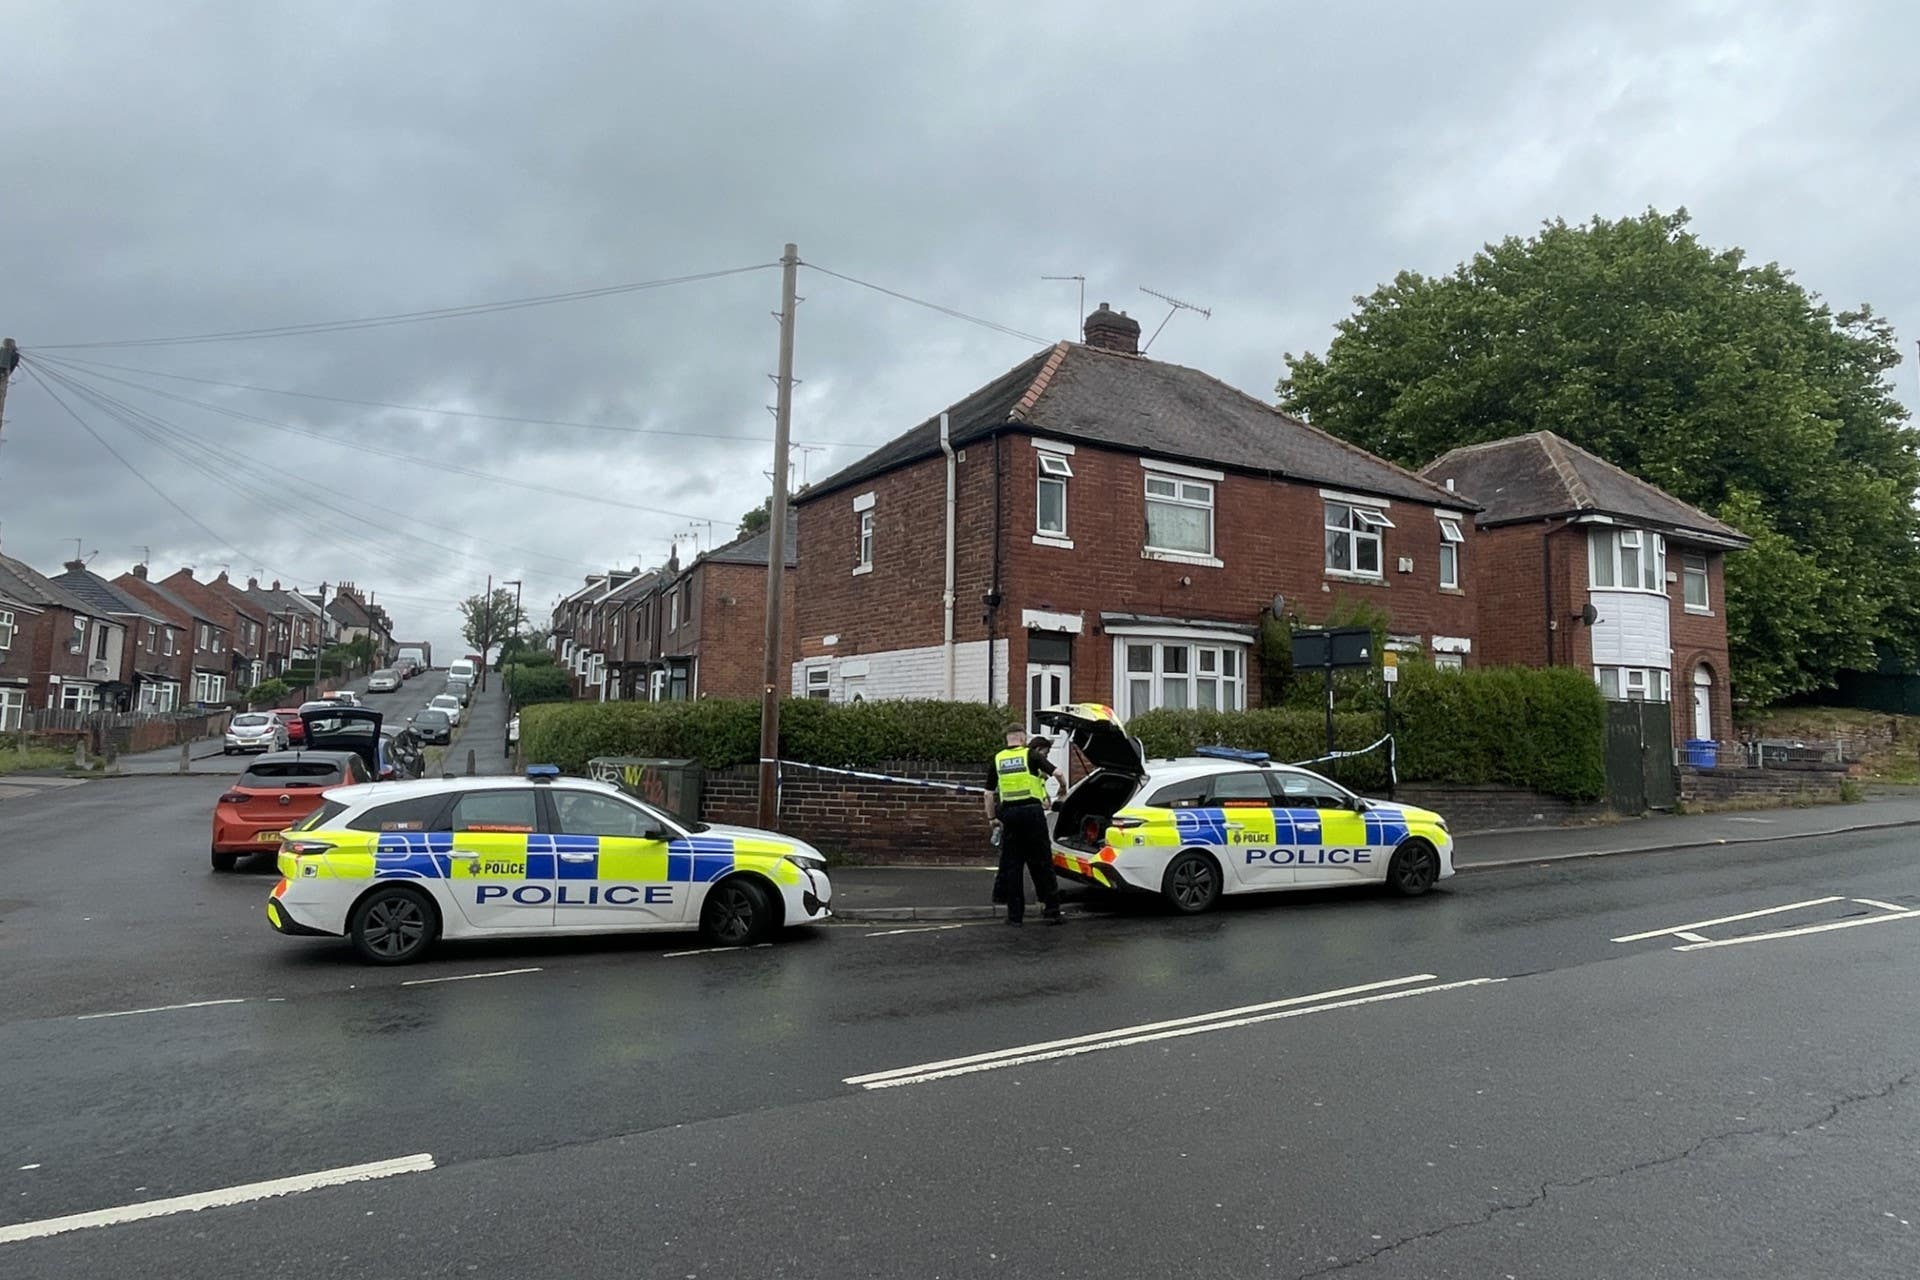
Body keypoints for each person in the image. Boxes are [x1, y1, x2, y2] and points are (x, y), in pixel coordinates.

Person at [985, 724, 1063, 926]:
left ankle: (1014, 917)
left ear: (1007, 739)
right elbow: (1058, 772)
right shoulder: (1031, 755)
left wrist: (992, 818)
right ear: (1022, 738)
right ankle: (1052, 912)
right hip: (1032, 813)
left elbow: (988, 793)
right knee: (1043, 862)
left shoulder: (998, 759)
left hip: (1010, 815)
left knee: (1013, 866)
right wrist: (1063, 788)